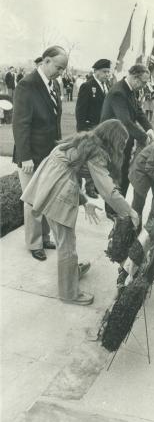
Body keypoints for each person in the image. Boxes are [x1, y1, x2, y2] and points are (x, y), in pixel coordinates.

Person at [21, 120, 139, 306]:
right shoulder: (98, 153)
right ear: (114, 140)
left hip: (48, 183)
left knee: (66, 238)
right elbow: (107, 190)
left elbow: (68, 169)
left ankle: (72, 272)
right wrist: (129, 211)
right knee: (67, 244)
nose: (124, 148)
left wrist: (84, 202)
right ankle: (69, 293)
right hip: (58, 189)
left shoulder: (85, 141)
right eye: (122, 143)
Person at [12, 45, 68, 261]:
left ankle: (44, 238)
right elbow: (20, 125)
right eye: (58, 67)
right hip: (31, 156)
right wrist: (25, 156)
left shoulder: (53, 85)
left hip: (49, 153)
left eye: (63, 69)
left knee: (46, 197)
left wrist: (59, 148)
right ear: (45, 61)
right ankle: (34, 243)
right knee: (33, 201)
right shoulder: (27, 85)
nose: (60, 72)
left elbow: (55, 122)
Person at [101, 64, 154, 198]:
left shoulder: (131, 90)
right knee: (116, 175)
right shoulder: (118, 92)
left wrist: (149, 128)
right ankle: (112, 210)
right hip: (114, 141)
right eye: (143, 82)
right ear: (135, 78)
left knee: (124, 173)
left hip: (124, 140)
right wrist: (143, 137)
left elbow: (138, 112)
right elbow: (125, 121)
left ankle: (121, 206)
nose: (144, 85)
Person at [75, 59, 111, 198]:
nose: (107, 74)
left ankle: (93, 186)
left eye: (108, 72)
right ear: (95, 71)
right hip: (89, 128)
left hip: (102, 129)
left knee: (97, 158)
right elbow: (80, 110)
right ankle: (79, 185)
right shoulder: (87, 86)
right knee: (85, 157)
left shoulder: (106, 85)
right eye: (104, 72)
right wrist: (82, 131)